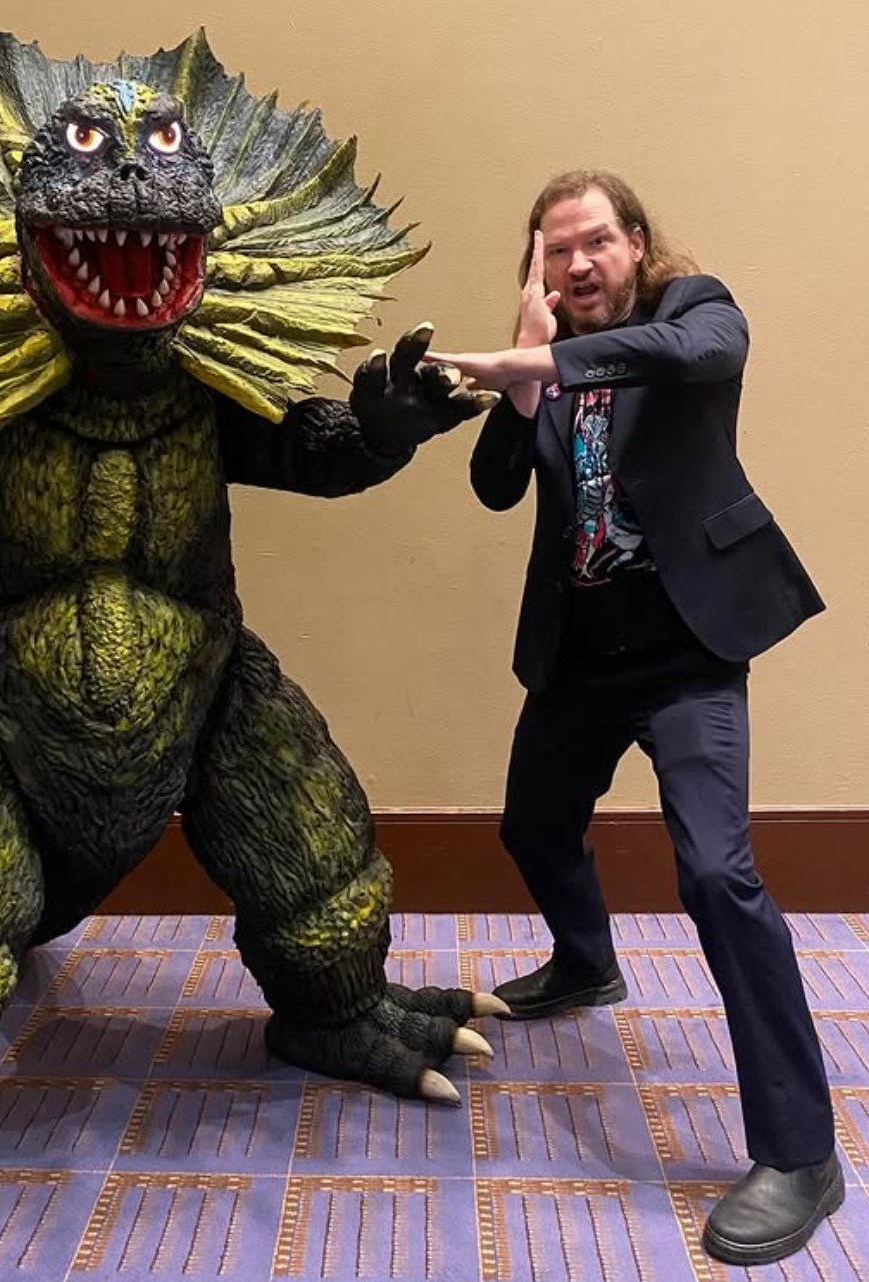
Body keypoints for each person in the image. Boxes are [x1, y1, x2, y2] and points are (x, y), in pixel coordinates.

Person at [424, 169, 843, 1266]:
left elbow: (697, 354)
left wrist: (536, 359)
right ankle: (585, 961)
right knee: (531, 827)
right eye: (555, 250)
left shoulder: (693, 310)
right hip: (581, 656)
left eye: (594, 242)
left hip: (688, 653)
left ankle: (801, 1152)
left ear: (636, 243)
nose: (576, 265)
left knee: (715, 873)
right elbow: (495, 486)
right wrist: (524, 378)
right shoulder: (545, 358)